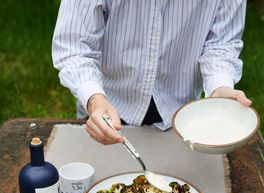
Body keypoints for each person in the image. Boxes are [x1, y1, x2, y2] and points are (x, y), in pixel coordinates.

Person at [52, 0, 252, 145]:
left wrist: (220, 87)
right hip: (105, 106)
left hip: (182, 115)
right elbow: (74, 47)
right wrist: (95, 101)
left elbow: (220, 46)